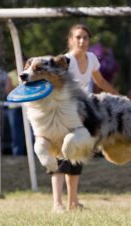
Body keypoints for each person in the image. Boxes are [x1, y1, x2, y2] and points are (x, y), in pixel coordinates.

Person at [51, 24, 119, 213]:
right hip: (62, 114)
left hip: (81, 113)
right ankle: (57, 204)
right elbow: (52, 85)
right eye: (78, 37)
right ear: (70, 40)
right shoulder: (64, 61)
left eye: (85, 38)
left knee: (77, 155)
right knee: (60, 158)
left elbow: (101, 82)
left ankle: (73, 202)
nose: (82, 41)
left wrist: (120, 97)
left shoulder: (91, 59)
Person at [5, 69, 26, 156]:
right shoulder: (11, 74)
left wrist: (17, 87)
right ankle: (18, 155)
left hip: (27, 107)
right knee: (16, 134)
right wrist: (21, 87)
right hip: (14, 108)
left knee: (33, 134)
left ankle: (35, 155)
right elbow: (8, 90)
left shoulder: (28, 73)